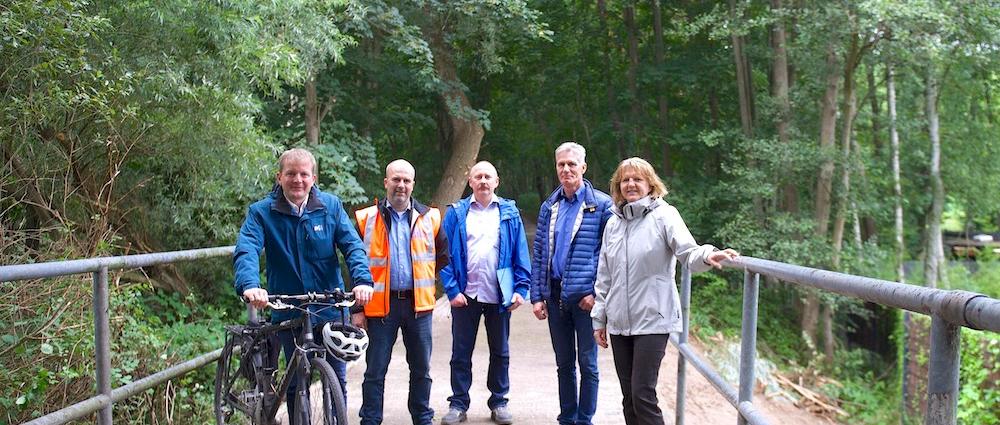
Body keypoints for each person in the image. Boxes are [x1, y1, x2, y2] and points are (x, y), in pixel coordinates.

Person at [590, 157, 739, 425]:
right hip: (620, 323)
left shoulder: (664, 215)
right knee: (629, 399)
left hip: (653, 319)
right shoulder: (613, 223)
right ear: (618, 186)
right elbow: (605, 276)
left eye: (637, 179)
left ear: (650, 184)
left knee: (643, 394)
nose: (631, 184)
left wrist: (709, 255)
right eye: (625, 180)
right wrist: (599, 318)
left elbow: (688, 251)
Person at [233, 148, 375, 422]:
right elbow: (247, 248)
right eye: (291, 174)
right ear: (279, 177)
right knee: (297, 381)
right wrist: (251, 285)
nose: (297, 179)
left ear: (313, 178)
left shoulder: (330, 206)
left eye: (303, 174)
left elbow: (353, 247)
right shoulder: (262, 212)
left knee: (336, 377)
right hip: (289, 307)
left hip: (329, 307)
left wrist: (362, 281)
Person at [353, 160, 449, 425]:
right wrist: (357, 309)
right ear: (386, 182)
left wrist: (424, 284)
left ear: (413, 185)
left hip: (418, 307)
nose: (401, 185)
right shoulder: (366, 219)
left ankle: (422, 418)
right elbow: (355, 265)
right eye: (396, 179)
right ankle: (370, 420)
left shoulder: (430, 217)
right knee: (375, 371)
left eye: (406, 180)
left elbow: (442, 257)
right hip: (380, 308)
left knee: (421, 370)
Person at [439, 161, 531, 425]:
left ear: (496, 181)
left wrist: (521, 288)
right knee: (460, 352)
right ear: (470, 181)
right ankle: (458, 404)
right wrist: (452, 290)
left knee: (500, 351)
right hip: (465, 295)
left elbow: (520, 253)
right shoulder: (456, 213)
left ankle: (499, 401)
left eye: (487, 177)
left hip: (499, 294)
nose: (483, 181)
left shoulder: (509, 212)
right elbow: (443, 256)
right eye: (478, 176)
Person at [529, 142, 612, 425]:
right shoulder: (549, 206)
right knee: (564, 364)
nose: (566, 169)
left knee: (588, 365)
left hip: (585, 300)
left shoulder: (601, 205)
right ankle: (567, 418)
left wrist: (595, 294)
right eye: (561, 164)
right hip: (554, 296)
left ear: (583, 168)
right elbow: (540, 252)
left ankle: (584, 419)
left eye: (571, 164)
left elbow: (609, 254)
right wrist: (537, 296)